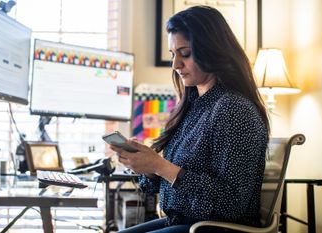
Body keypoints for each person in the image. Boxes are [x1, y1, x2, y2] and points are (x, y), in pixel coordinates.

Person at [110, 5, 270, 233]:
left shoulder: (234, 109)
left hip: (214, 228)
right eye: (173, 55)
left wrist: (161, 166)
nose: (175, 65)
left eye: (185, 54)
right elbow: (166, 182)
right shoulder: (194, 106)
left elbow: (231, 203)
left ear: (212, 51)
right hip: (184, 223)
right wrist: (146, 166)